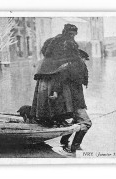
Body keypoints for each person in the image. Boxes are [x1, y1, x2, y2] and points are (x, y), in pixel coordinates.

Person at [31, 24, 92, 153]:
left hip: (68, 105)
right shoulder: (71, 67)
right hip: (74, 104)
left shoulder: (57, 64)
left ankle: (64, 143)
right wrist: (55, 92)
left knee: (73, 122)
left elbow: (60, 79)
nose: (84, 62)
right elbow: (62, 80)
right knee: (86, 123)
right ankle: (74, 147)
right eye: (84, 60)